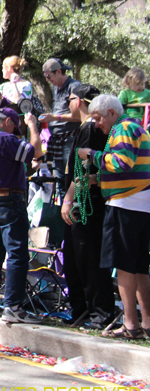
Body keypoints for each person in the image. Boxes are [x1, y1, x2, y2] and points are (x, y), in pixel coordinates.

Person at [77, 94, 150, 339]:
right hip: (139, 205)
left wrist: (91, 154)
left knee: (125, 267)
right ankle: (146, 323)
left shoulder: (123, 128)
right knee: (139, 267)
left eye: (97, 118)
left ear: (110, 112)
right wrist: (95, 179)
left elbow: (121, 163)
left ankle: (131, 324)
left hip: (125, 205)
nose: (96, 124)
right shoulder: (138, 129)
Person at [0, 108, 43, 324]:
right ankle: (13, 306)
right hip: (10, 200)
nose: (15, 130)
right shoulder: (4, 138)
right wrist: (32, 126)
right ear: (9, 122)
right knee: (17, 254)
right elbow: (35, 152)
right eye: (15, 126)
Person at [59, 84, 116, 329]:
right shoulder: (83, 128)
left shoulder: (92, 128)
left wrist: (69, 198)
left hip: (87, 199)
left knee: (89, 256)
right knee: (73, 259)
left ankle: (100, 312)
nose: (67, 102)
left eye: (70, 98)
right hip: (78, 198)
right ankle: (80, 308)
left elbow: (85, 169)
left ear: (80, 101)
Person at [40, 57, 82, 176]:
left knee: (70, 177)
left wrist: (54, 118)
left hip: (70, 139)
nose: (48, 80)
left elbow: (78, 116)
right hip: (56, 140)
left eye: (49, 76)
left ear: (58, 71)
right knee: (59, 180)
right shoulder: (55, 88)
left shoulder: (74, 87)